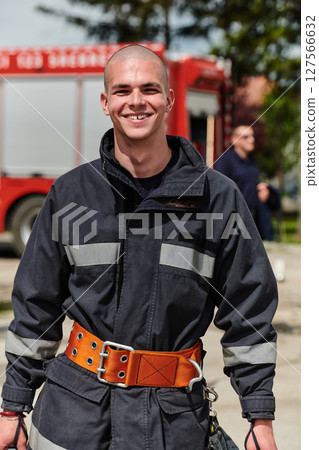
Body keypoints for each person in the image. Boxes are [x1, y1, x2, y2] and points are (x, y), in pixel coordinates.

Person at [0, 45, 278, 450]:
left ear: (169, 99)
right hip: (72, 421)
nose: (135, 101)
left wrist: (260, 418)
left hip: (174, 423)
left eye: (149, 89)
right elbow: (35, 307)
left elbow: (249, 311)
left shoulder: (218, 198)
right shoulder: (71, 194)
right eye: (122, 90)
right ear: (105, 102)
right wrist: (12, 408)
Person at [214, 125, 280, 241]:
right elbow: (222, 191)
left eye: (252, 136)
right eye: (246, 137)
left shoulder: (252, 161)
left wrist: (263, 189)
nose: (252, 140)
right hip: (234, 222)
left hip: (255, 221)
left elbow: (251, 185)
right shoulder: (224, 161)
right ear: (234, 140)